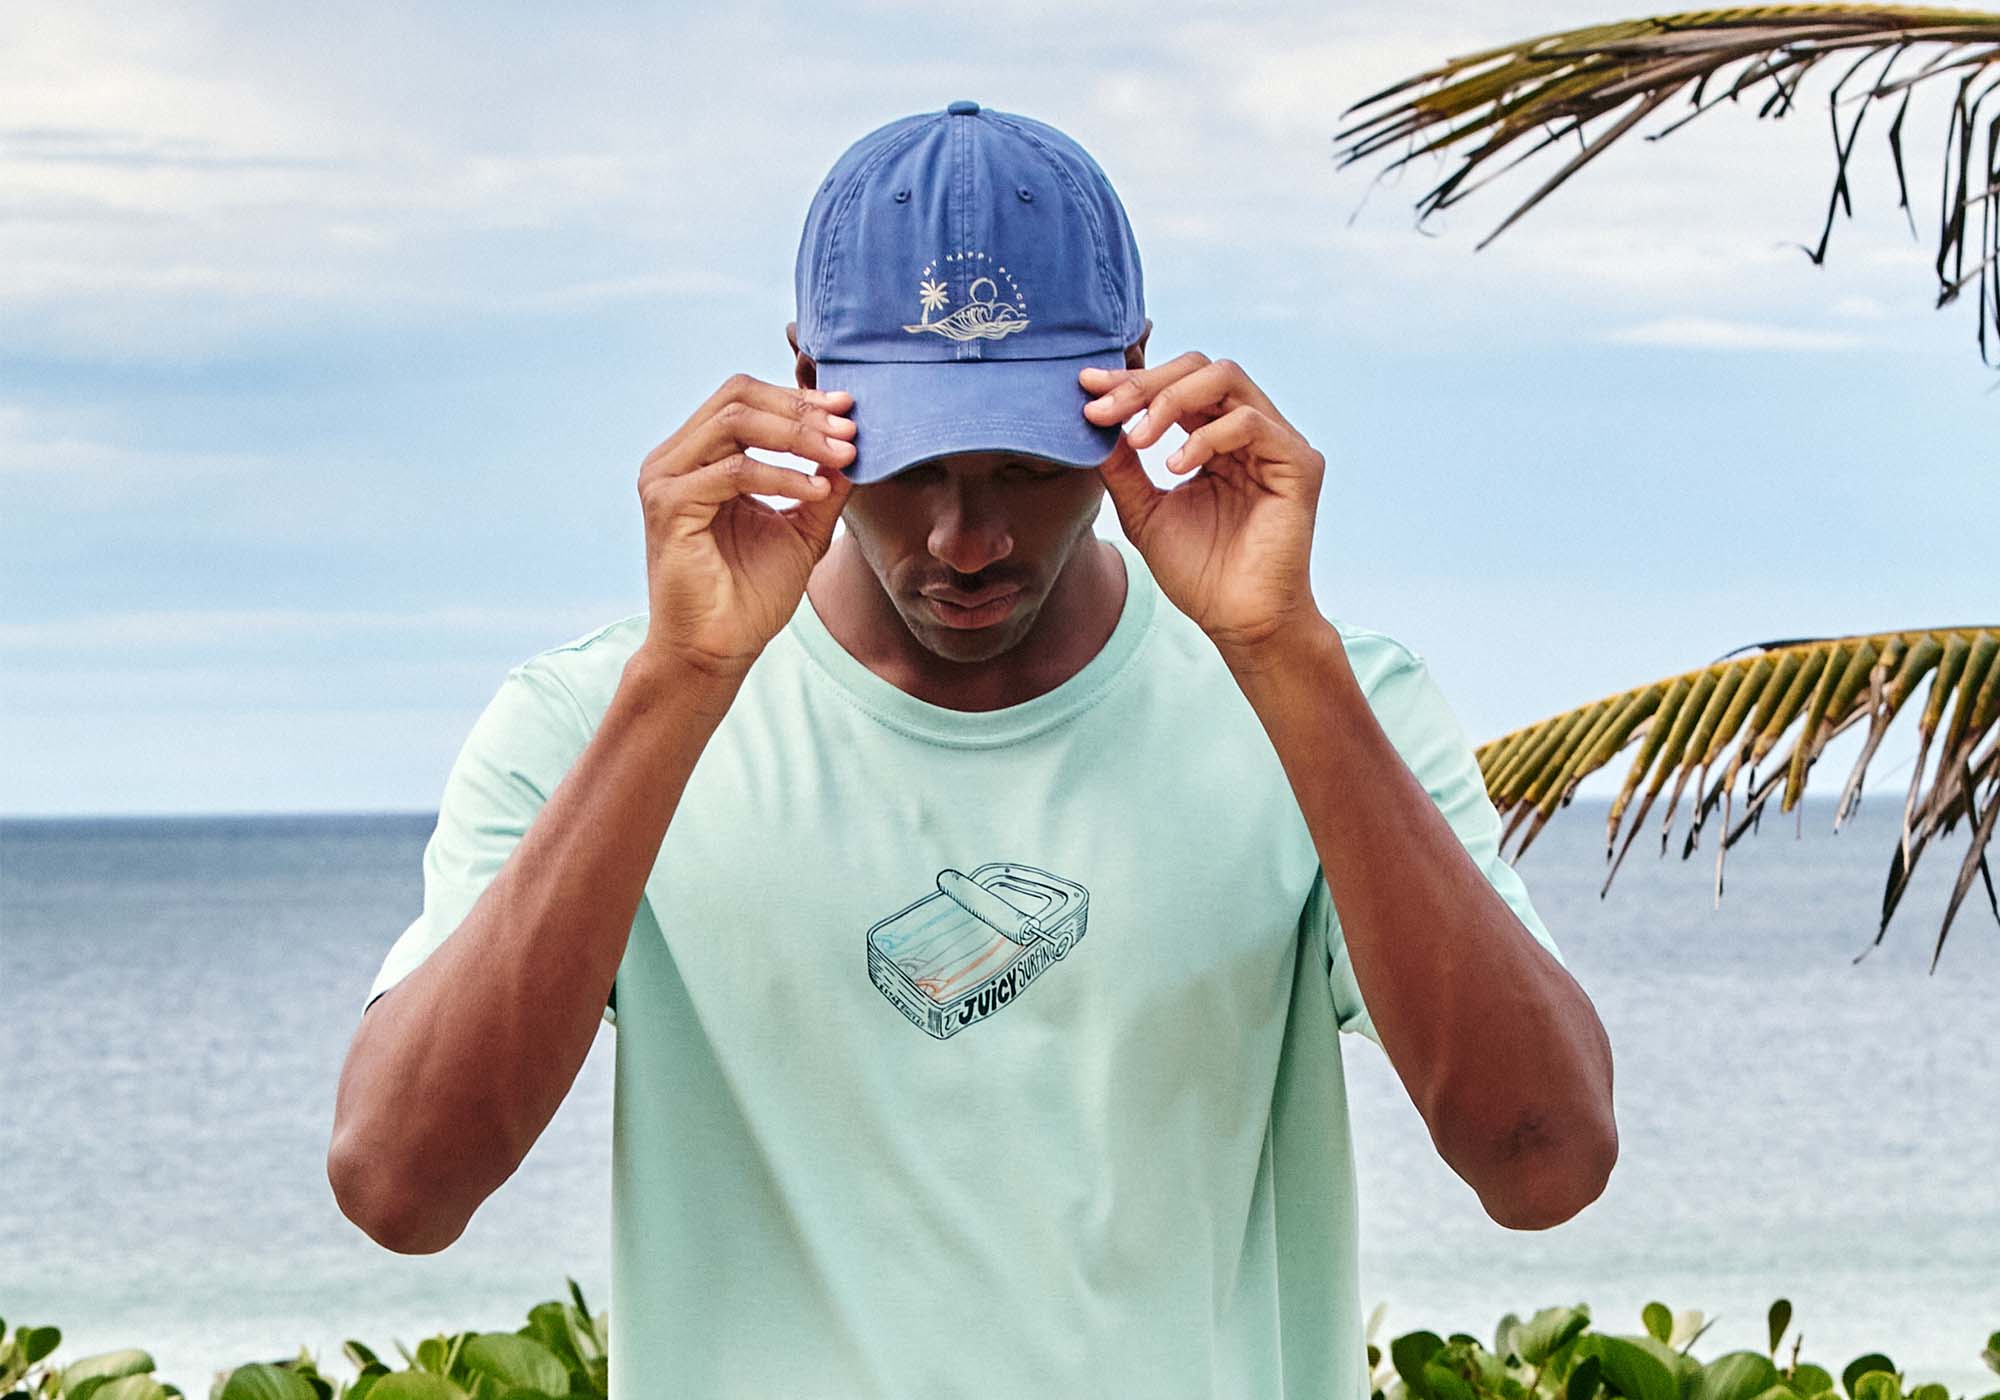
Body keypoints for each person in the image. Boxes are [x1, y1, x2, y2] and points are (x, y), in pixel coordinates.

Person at [328, 100, 1617, 1400]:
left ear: (1138, 380)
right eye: (907, 464)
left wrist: (1283, 655)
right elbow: (400, 1188)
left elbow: (1543, 1164)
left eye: (1029, 465)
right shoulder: (592, 718)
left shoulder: (1328, 705)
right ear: (805, 380)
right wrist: (684, 684)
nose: (964, 537)